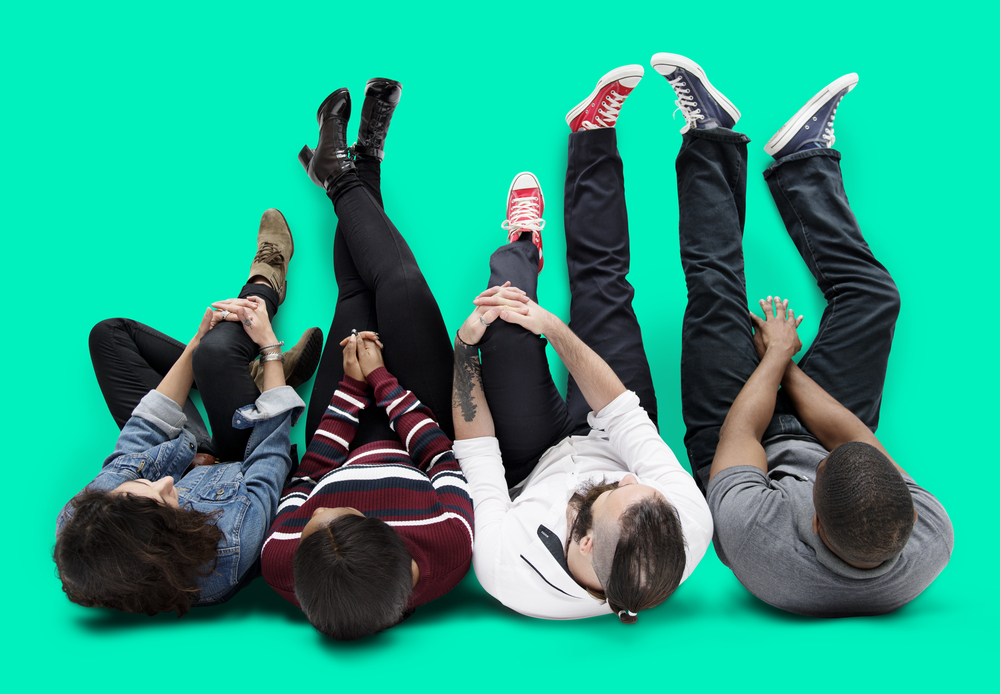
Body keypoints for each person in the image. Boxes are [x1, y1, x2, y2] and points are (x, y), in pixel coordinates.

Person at [656, 52, 954, 616]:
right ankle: (804, 159)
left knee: (716, 291)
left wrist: (776, 356)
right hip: (823, 430)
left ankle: (709, 134)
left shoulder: (758, 539)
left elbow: (744, 432)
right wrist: (785, 363)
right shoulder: (930, 536)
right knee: (876, 298)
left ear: (812, 519)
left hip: (736, 447)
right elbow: (851, 436)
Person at [451, 65, 713, 622]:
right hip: (607, 428)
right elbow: (623, 415)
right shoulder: (684, 522)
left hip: (529, 460)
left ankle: (522, 243)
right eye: (644, 487)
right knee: (603, 289)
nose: (633, 477)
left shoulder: (505, 567)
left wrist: (465, 350)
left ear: (586, 541)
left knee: (501, 321)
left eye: (623, 489)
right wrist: (553, 327)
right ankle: (592, 133)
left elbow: (479, 455)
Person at [260, 80, 474, 640]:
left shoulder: (283, 563)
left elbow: (310, 476)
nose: (316, 512)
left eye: (312, 525)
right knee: (399, 285)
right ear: (390, 535)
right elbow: (443, 461)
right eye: (339, 514)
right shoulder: (447, 549)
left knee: (356, 292)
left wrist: (351, 390)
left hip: (342, 435)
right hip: (421, 425)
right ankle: (349, 170)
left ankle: (354, 167)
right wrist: (380, 379)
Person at [54, 210, 319, 615]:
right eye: (165, 499)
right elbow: (269, 453)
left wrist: (196, 341)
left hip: (188, 446)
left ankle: (253, 379)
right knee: (217, 354)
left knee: (110, 335)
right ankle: (266, 279)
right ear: (170, 543)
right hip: (243, 456)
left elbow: (144, 431)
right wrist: (268, 348)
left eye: (142, 485)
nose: (165, 480)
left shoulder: (86, 523)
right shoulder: (229, 546)